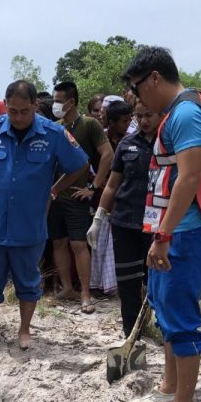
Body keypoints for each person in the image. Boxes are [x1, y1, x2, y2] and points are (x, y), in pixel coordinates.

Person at [123, 45, 201, 402]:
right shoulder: (178, 112)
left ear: (154, 78)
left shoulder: (186, 114)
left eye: (137, 87)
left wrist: (163, 234)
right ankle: (169, 386)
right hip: (170, 230)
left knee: (180, 318)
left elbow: (190, 177)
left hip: (186, 232)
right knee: (164, 310)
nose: (136, 96)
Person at [0, 80, 89, 350]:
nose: (18, 117)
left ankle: (24, 330)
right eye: (13, 111)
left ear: (35, 106)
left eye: (24, 111)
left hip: (30, 225)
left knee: (29, 282)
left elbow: (80, 164)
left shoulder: (53, 134)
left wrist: (54, 191)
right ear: (6, 106)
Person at [92, 100, 159, 337]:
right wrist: (99, 217)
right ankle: (131, 332)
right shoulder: (126, 145)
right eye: (138, 116)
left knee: (158, 282)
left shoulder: (170, 144)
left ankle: (162, 329)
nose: (143, 121)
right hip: (124, 222)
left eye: (148, 114)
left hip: (157, 225)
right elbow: (112, 185)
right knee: (128, 283)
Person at [49, 81, 114, 312]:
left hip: (77, 196)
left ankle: (85, 293)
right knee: (58, 242)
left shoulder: (89, 124)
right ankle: (67, 288)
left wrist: (93, 187)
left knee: (78, 244)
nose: (55, 105)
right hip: (54, 195)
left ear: (71, 102)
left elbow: (108, 155)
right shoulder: (54, 127)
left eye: (58, 101)